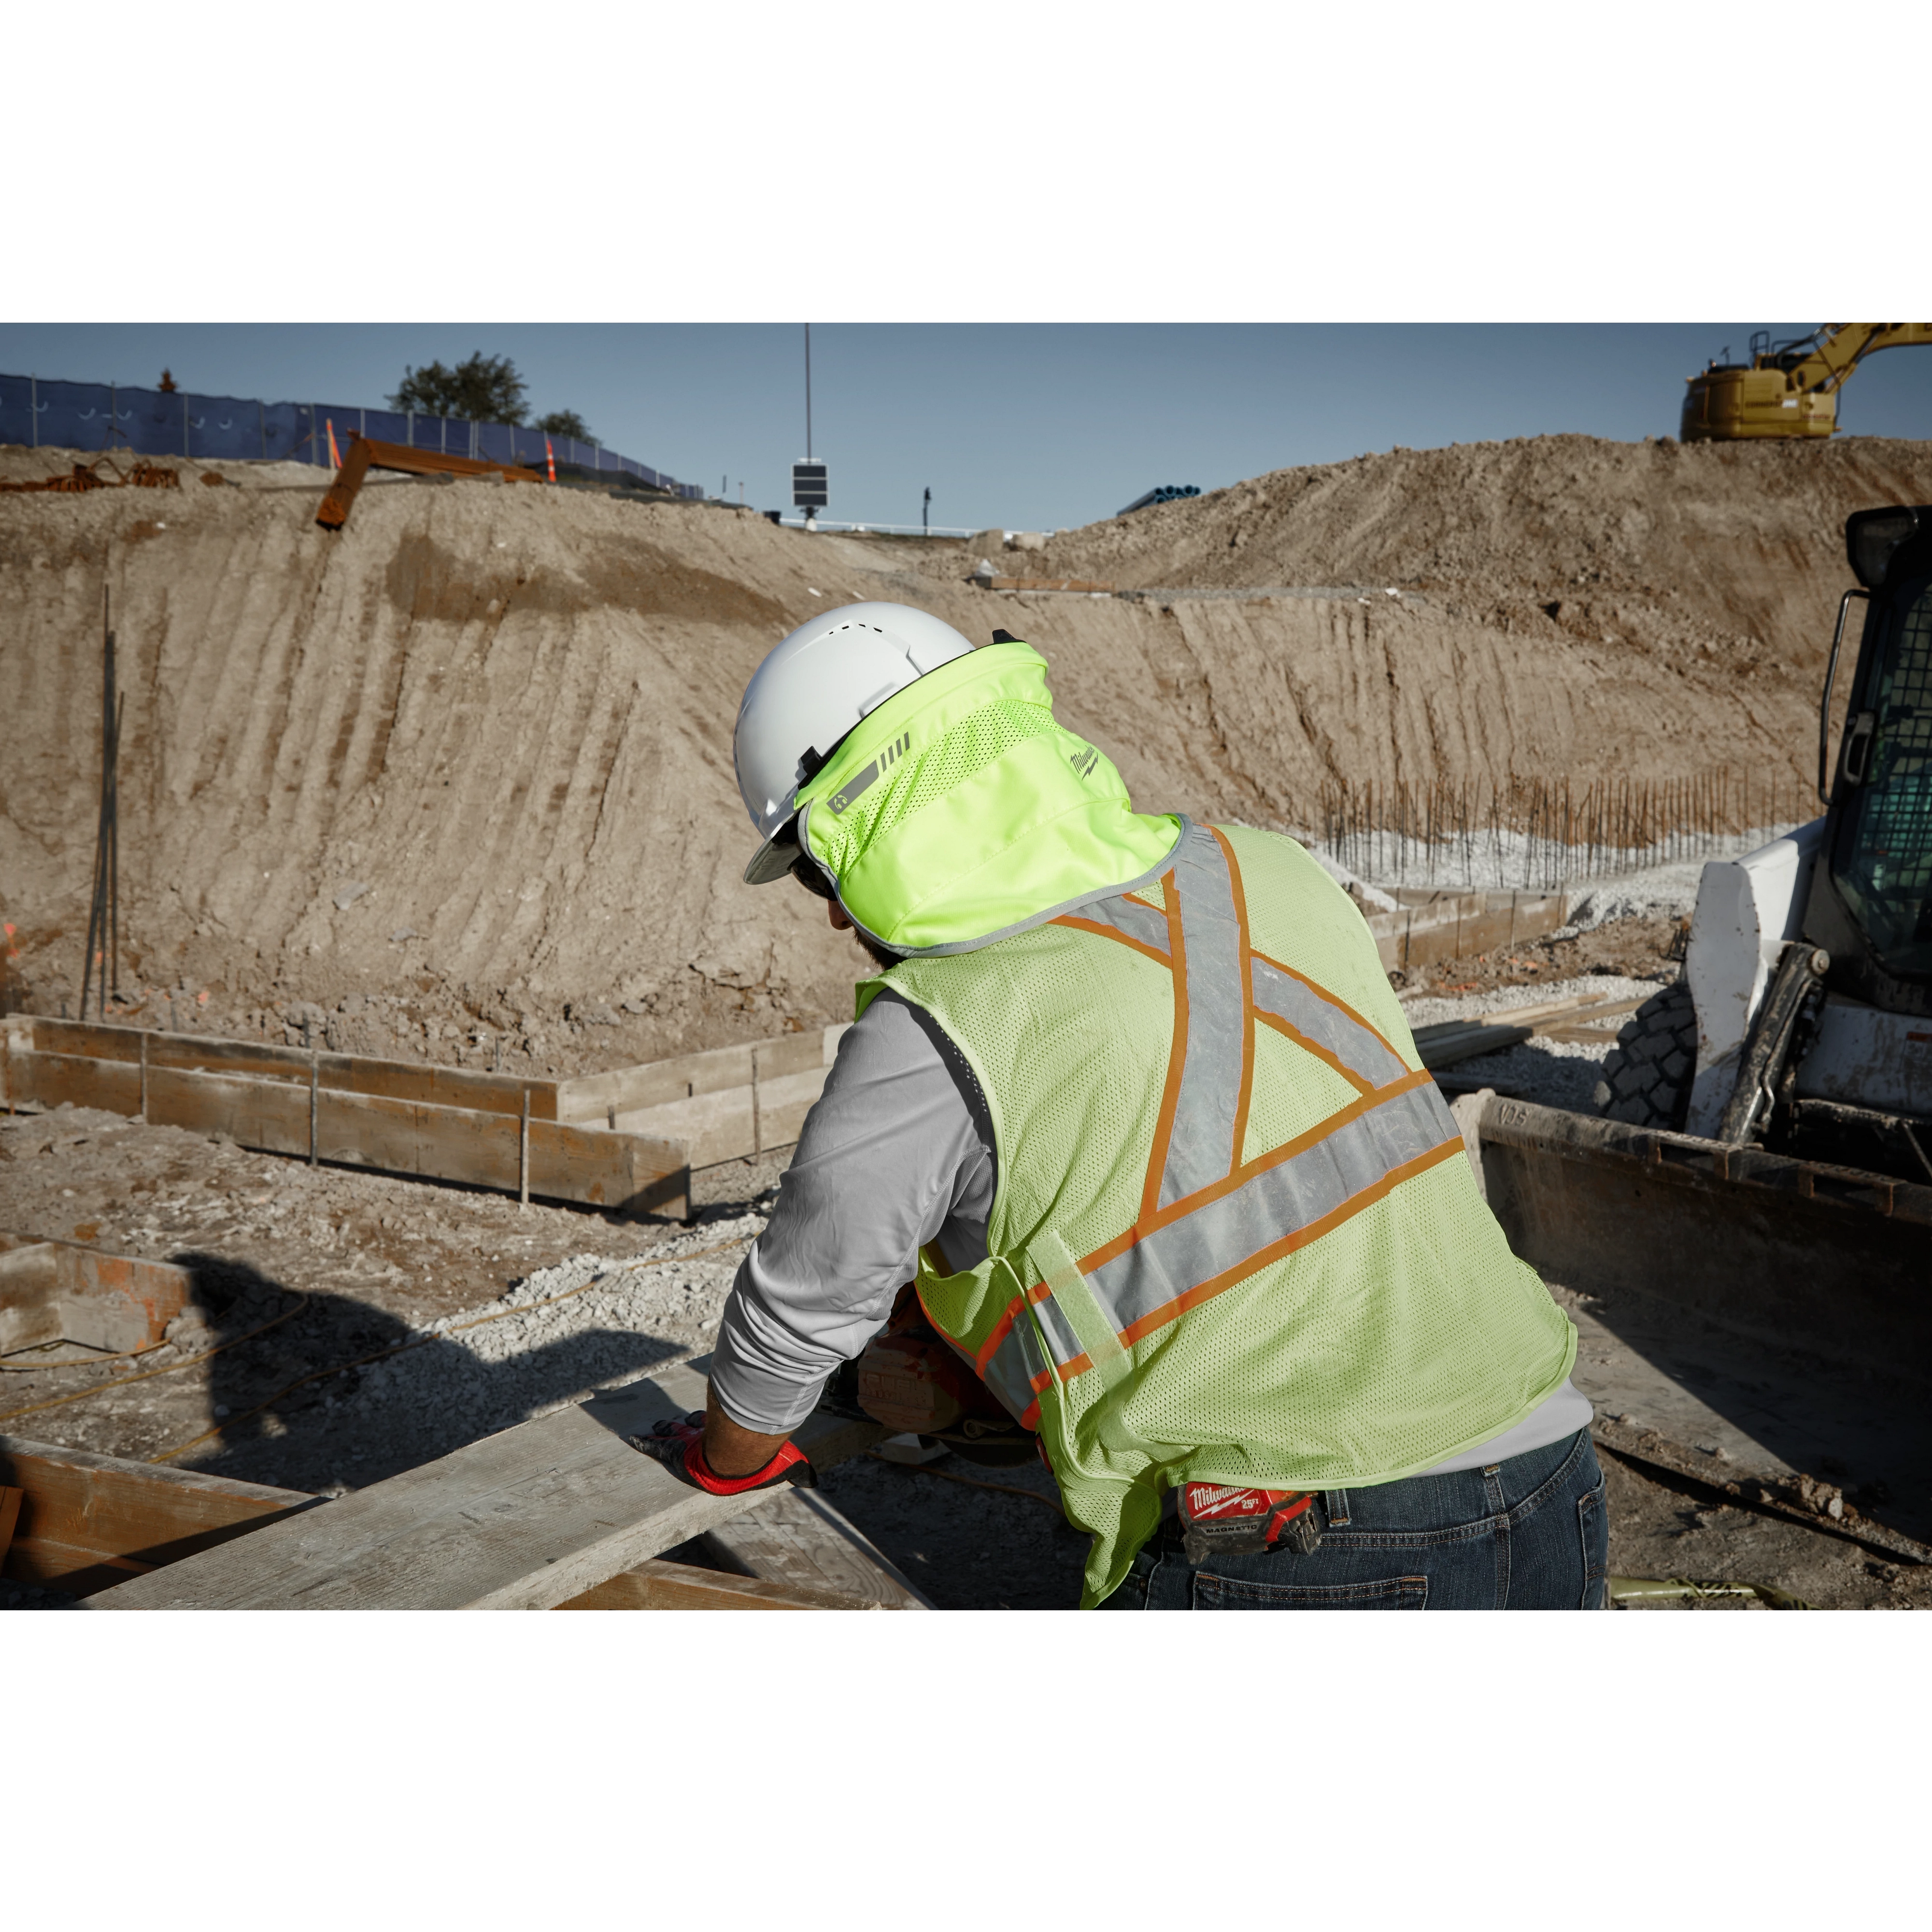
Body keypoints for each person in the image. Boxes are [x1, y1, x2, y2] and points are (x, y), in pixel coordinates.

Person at [641, 601, 1606, 1610]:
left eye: (816, 870)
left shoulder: (934, 1030)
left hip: (1304, 1544)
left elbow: (790, 1326)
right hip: (1546, 1468)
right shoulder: (1264, 866)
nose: (835, 910)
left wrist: (725, 1458)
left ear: (866, 829)